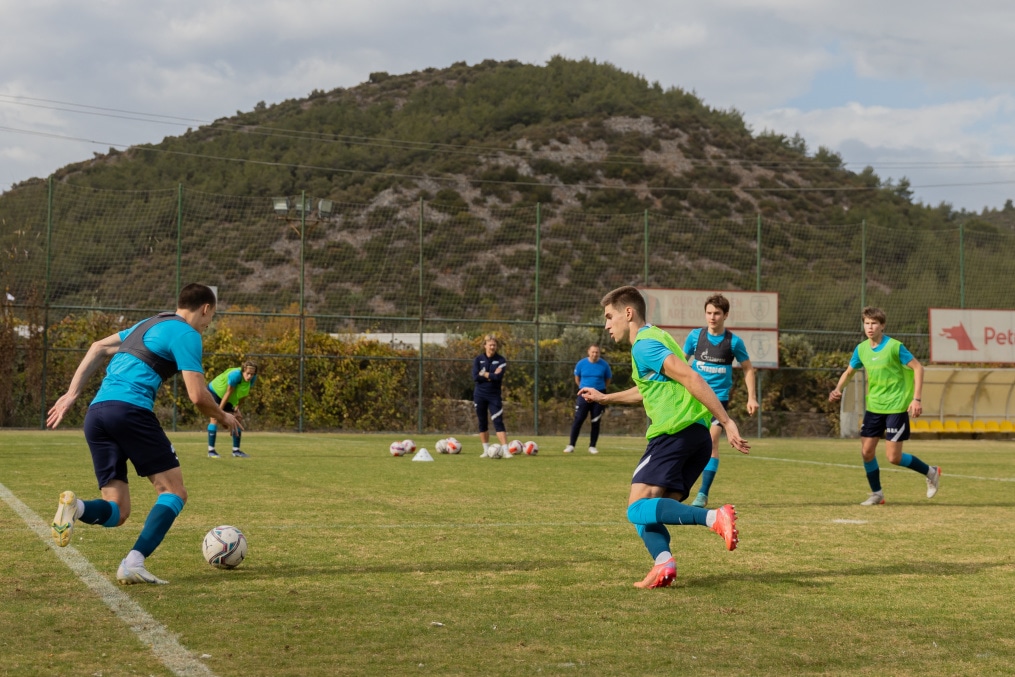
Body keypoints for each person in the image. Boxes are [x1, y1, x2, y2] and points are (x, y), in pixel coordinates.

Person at [46, 283, 241, 585]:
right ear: (205, 309)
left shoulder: (149, 323)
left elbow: (98, 347)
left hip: (97, 414)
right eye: (211, 317)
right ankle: (133, 562)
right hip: (130, 411)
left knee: (118, 510)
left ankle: (76, 507)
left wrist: (72, 394)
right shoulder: (187, 334)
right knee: (174, 492)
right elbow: (197, 396)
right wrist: (223, 416)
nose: (208, 324)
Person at [579, 285, 749, 589]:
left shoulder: (644, 345)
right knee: (648, 513)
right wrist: (606, 398)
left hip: (675, 433)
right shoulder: (657, 337)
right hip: (695, 437)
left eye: (609, 316)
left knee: (636, 508)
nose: (606, 325)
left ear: (628, 313)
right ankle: (663, 564)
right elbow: (647, 390)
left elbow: (690, 377)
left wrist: (726, 420)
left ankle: (713, 518)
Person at [829, 306, 940, 505]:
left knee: (893, 458)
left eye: (874, 323)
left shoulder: (895, 347)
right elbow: (849, 372)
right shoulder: (861, 349)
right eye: (867, 323)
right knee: (866, 452)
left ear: (882, 326)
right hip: (874, 407)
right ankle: (877, 494)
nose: (870, 327)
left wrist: (916, 399)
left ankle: (931, 472)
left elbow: (918, 368)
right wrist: (838, 389)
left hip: (896, 407)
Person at [682, 294, 759, 508]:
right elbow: (679, 362)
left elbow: (748, 368)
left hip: (718, 400)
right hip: (693, 397)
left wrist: (751, 397)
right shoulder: (695, 337)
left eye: (717, 313)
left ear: (725, 315)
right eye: (709, 313)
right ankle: (677, 486)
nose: (712, 317)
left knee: (711, 443)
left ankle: (702, 494)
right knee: (684, 442)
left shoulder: (733, 342)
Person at [564, 344, 612, 454]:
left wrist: (599, 391)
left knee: (595, 421)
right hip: (584, 395)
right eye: (593, 352)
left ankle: (592, 446)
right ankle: (571, 445)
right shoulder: (581, 364)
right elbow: (577, 378)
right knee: (578, 419)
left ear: (599, 353)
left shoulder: (604, 365)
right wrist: (584, 389)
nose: (595, 354)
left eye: (597, 352)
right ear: (588, 352)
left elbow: (608, 379)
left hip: (599, 395)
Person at [207, 361, 258, 458]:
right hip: (215, 391)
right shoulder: (235, 375)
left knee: (237, 418)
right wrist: (219, 413)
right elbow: (228, 392)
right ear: (243, 371)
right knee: (214, 418)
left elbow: (244, 394)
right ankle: (211, 451)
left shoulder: (253, 378)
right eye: (248, 373)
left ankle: (236, 451)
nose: (250, 376)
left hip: (229, 397)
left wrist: (237, 407)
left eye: (252, 374)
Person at [473, 334, 509, 458]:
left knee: (498, 421)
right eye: (490, 345)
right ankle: (486, 450)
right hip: (479, 395)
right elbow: (475, 377)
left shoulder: (501, 360)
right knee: (482, 422)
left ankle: (506, 451)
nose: (492, 347)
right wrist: (491, 375)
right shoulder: (478, 360)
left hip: (494, 396)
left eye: (494, 345)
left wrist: (484, 374)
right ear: (485, 346)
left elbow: (498, 377)